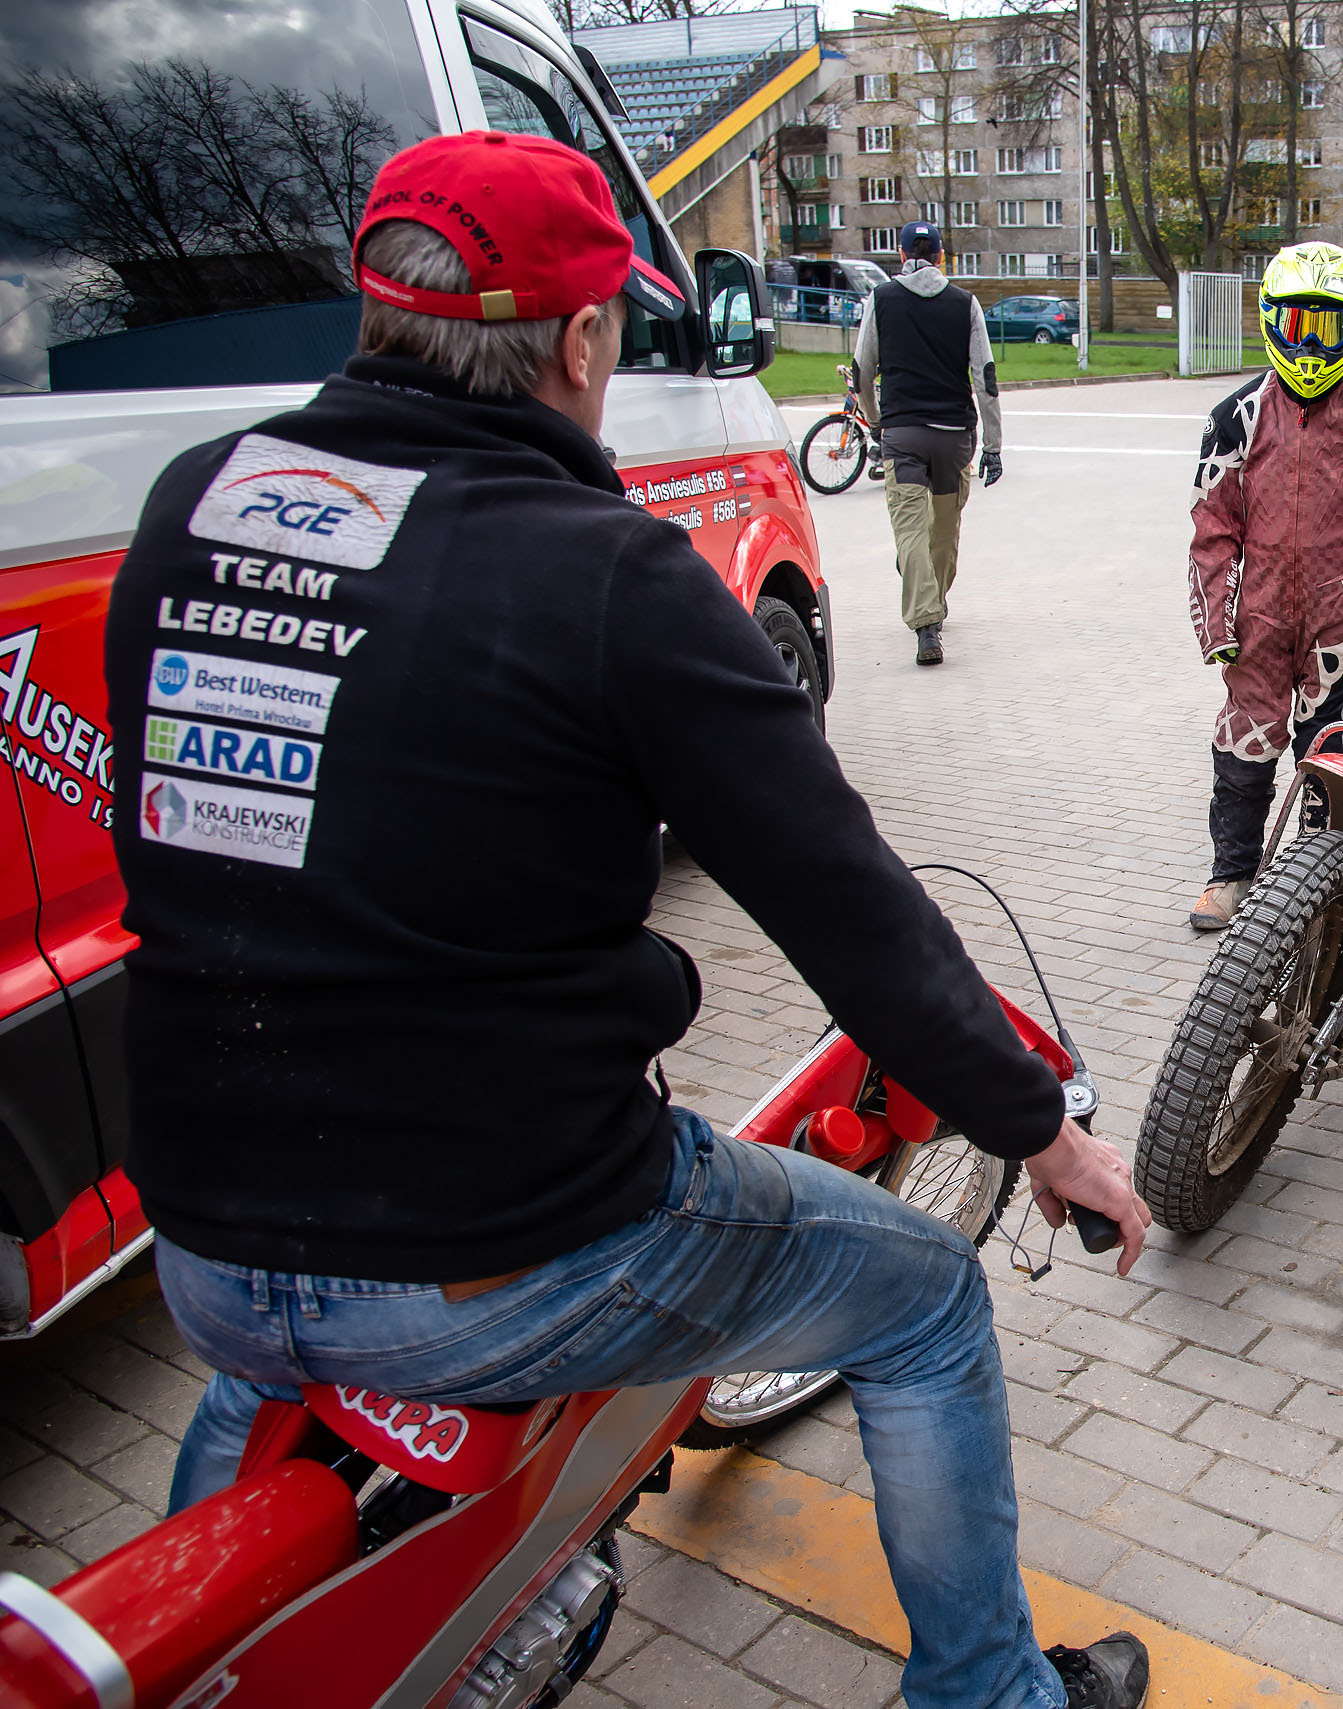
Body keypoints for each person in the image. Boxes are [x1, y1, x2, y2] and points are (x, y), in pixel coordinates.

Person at [107, 132, 1151, 1709]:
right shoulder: (609, 575)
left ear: (375, 307)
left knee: (284, 1350)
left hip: (199, 1233)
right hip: (494, 1253)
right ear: (587, 337)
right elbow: (842, 898)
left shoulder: (203, 500)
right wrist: (1036, 1129)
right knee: (924, 1295)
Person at [1185, 241, 1343, 930]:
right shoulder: (1237, 414)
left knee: (1329, 752)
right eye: (1297, 325)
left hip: (1335, 618)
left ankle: (1311, 879)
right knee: (1243, 748)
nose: (1310, 343)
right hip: (1255, 614)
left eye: (1327, 325)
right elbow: (1212, 524)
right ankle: (1231, 872)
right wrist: (1216, 623)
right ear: (1270, 321)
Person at [854, 220, 1002, 667]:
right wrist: (993, 446)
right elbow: (985, 378)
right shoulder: (966, 304)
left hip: (903, 437)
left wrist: (877, 422)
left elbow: (862, 370)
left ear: (901, 256)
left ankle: (926, 624)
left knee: (910, 531)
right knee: (943, 529)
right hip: (954, 437)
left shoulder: (880, 300)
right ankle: (932, 602)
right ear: (941, 257)